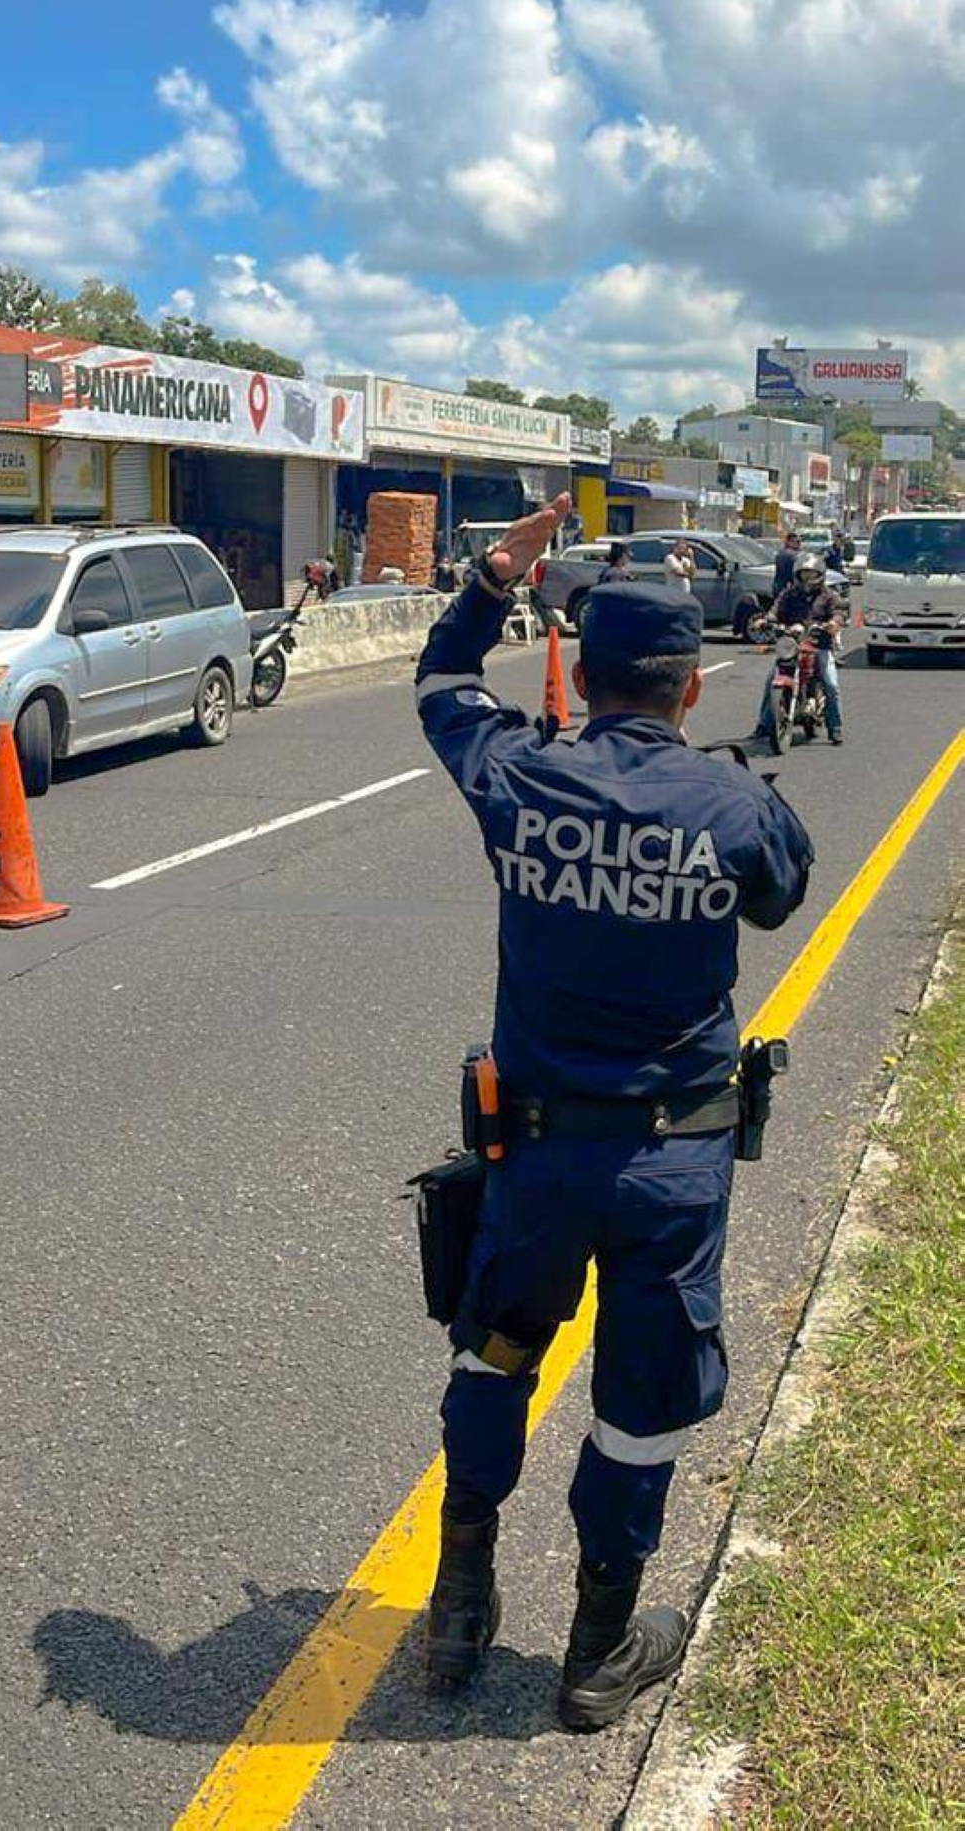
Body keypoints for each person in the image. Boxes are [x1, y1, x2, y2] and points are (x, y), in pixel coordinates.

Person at [414, 493, 814, 1730]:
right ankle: (598, 1648)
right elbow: (778, 896)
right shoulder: (730, 805)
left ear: (579, 679)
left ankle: (459, 1601)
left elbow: (439, 684)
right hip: (671, 1169)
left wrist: (494, 576)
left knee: (497, 1349)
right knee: (642, 1397)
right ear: (690, 688)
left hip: (534, 1156)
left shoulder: (520, 775)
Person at [753, 552, 846, 746]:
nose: (808, 578)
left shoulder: (829, 595)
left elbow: (839, 611)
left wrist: (833, 623)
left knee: (831, 684)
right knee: (771, 680)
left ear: (820, 574)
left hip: (819, 645)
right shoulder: (789, 594)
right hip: (792, 644)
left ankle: (835, 727)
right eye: (804, 574)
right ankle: (763, 725)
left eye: (812, 574)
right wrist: (766, 620)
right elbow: (775, 610)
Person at [773, 529, 802, 597]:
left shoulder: (781, 553)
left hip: (780, 587)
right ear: (789, 542)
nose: (799, 544)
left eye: (800, 542)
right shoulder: (790, 555)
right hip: (788, 589)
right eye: (797, 542)